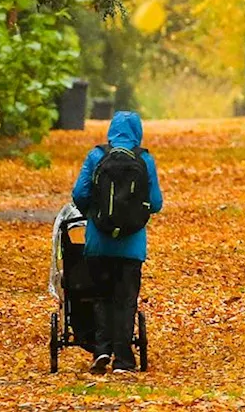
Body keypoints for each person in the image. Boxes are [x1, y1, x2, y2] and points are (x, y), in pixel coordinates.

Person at [71, 111, 163, 375]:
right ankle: (123, 359)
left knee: (101, 296)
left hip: (98, 243)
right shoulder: (145, 160)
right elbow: (155, 203)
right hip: (131, 246)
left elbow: (79, 194)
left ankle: (101, 350)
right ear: (138, 131)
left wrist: (94, 213)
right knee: (125, 300)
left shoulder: (96, 156)